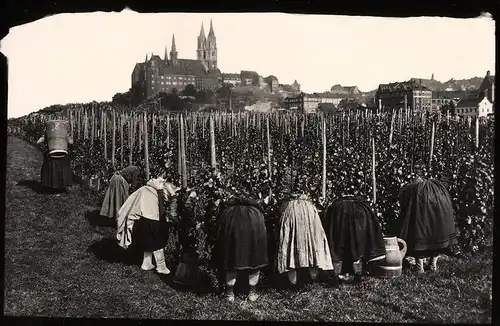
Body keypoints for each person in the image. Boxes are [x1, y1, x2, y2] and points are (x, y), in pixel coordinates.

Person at [116, 177, 180, 275]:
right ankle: (161, 267)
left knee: (149, 241)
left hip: (142, 219)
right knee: (158, 242)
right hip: (150, 218)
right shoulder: (158, 192)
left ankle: (146, 263)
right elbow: (161, 211)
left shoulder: (148, 188)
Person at [398, 176, 457, 273]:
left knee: (418, 236)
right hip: (440, 214)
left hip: (422, 213)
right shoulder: (437, 189)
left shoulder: (413, 191)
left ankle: (419, 266)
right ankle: (432, 264)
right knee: (436, 237)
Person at [215, 196, 268, 302]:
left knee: (232, 262)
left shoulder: (229, 213)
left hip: (235, 244)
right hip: (253, 244)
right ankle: (252, 293)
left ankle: (229, 294)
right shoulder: (256, 214)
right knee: (254, 263)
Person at [322, 196, 386, 282]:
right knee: (356, 247)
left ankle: (338, 277)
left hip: (342, 213)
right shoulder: (357, 207)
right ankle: (355, 275)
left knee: (338, 246)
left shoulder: (338, 207)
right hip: (352, 213)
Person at [277, 194, 334, 289]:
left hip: (293, 211)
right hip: (307, 211)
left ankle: (294, 283)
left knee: (291, 247)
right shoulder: (310, 206)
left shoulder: (289, 206)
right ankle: (313, 279)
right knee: (312, 244)